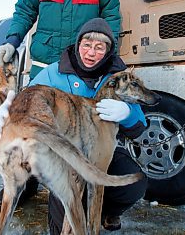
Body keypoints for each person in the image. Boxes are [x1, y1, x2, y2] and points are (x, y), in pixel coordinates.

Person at [29, 18, 148, 233]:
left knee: (132, 185)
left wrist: (127, 113)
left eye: (99, 47)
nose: (91, 53)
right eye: (86, 45)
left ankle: (105, 212)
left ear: (108, 51)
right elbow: (28, 99)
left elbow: (140, 126)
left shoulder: (117, 77)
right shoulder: (54, 72)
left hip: (102, 152)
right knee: (62, 221)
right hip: (63, 155)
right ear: (78, 45)